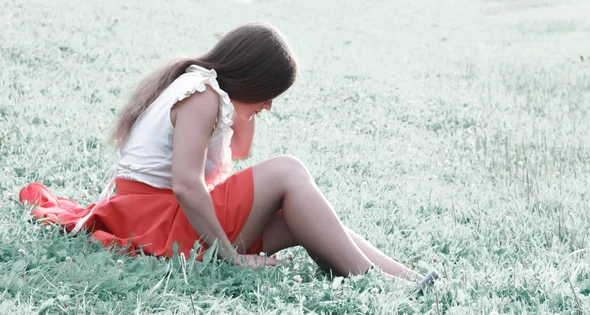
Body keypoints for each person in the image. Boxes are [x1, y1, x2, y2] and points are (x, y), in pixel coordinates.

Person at [20, 22, 437, 289]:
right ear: (253, 78)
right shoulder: (200, 95)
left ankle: (403, 279)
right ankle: (374, 283)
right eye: (270, 93)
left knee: (300, 215)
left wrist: (247, 107)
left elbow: (237, 154)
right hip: (163, 223)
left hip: (166, 219)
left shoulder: (207, 92)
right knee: (289, 170)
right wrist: (230, 256)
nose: (270, 105)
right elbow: (186, 183)